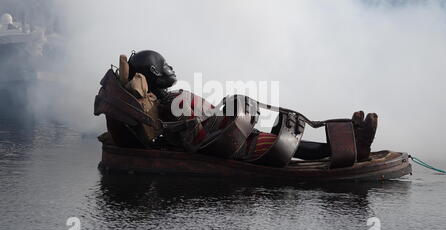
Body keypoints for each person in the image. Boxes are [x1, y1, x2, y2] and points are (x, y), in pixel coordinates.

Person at [101, 50, 378, 168]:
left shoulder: (171, 100)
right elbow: (192, 134)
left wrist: (223, 114)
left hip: (222, 133)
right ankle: (354, 148)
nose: (170, 69)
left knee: (270, 135)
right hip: (225, 144)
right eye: (164, 66)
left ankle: (350, 142)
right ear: (154, 72)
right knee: (278, 144)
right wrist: (221, 123)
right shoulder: (170, 106)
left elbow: (198, 120)